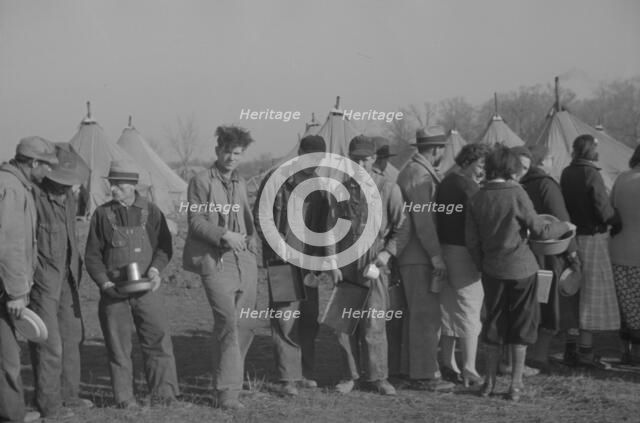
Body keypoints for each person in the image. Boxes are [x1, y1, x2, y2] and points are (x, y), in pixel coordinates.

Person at [466, 146, 573, 401]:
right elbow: (540, 230)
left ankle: (489, 383)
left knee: (493, 324)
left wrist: (484, 264)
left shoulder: (477, 197)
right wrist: (565, 225)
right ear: (510, 168)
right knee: (522, 325)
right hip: (522, 269)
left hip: (492, 270)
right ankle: (515, 385)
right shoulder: (516, 192)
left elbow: (471, 241)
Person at [85, 160, 179, 409]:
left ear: (133, 186)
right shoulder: (101, 214)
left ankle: (164, 395)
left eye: (119, 185)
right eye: (112, 184)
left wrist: (156, 270)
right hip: (114, 292)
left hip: (148, 289)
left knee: (157, 340)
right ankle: (125, 398)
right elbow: (92, 256)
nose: (113, 189)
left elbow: (164, 247)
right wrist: (105, 284)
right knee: (118, 346)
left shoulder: (152, 212)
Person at [182, 126, 258, 410]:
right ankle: (227, 392)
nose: (231, 158)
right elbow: (195, 221)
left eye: (237, 153)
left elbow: (247, 218)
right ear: (217, 151)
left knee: (246, 324)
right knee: (227, 322)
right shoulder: (200, 181)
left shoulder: (240, 181)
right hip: (215, 262)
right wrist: (223, 235)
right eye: (227, 152)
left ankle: (230, 379)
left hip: (244, 261)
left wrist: (251, 243)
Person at [253, 135, 334, 396]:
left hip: (310, 264)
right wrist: (278, 248)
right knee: (286, 320)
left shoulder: (321, 186)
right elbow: (261, 217)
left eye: (319, 158)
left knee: (309, 319)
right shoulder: (277, 180)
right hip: (283, 262)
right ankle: (288, 377)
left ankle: (306, 373)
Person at [333, 136, 409, 395]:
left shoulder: (388, 188)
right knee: (343, 325)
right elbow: (331, 230)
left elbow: (403, 226)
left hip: (375, 259)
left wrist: (388, 253)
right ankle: (348, 375)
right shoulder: (340, 189)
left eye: (365, 158)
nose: (360, 163)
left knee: (374, 322)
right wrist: (332, 261)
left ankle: (378, 377)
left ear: (374, 158)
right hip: (346, 261)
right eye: (355, 159)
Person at [29, 148, 93, 420]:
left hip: (67, 275)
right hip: (41, 277)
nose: (68, 185)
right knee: (48, 342)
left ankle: (69, 395)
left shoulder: (66, 197)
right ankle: (49, 404)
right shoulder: (32, 196)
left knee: (71, 336)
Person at [1, 137, 58, 423]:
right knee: (7, 360)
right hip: (4, 290)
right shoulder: (11, 189)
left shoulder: (14, 185)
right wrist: (15, 292)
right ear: (34, 163)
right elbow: (9, 244)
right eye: (47, 166)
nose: (48, 173)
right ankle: (11, 416)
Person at [396, 126, 453, 392]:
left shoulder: (411, 170)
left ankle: (412, 369)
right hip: (420, 256)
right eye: (442, 148)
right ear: (436, 149)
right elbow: (424, 221)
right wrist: (436, 256)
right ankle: (424, 374)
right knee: (426, 317)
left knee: (416, 315)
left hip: (412, 256)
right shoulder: (419, 174)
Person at [517, 146, 581, 370]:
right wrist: (573, 253)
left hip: (528, 254)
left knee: (536, 302)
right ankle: (539, 356)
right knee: (550, 304)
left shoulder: (521, 184)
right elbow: (562, 221)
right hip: (551, 255)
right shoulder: (546, 184)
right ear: (545, 161)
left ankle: (527, 355)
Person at [561, 134, 620, 369]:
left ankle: (570, 349)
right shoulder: (591, 173)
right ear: (591, 151)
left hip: (573, 239)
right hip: (592, 238)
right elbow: (602, 208)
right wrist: (617, 221)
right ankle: (586, 354)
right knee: (590, 296)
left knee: (575, 293)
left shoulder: (566, 172)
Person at [435, 143, 490, 387]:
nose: (482, 170)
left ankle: (448, 362)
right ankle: (469, 367)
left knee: (448, 309)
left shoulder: (445, 182)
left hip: (445, 249)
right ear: (468, 161)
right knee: (470, 308)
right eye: (480, 164)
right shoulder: (469, 187)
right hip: (465, 253)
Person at [610, 145, 640, 365]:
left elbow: (611, 208)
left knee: (626, 304)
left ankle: (626, 350)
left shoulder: (622, 179)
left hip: (620, 248)